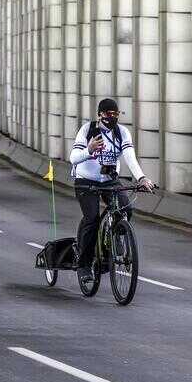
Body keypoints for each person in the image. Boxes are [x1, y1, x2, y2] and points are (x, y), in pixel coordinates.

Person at [69, 98, 155, 285]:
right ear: (100, 115)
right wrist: (89, 150)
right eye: (109, 114)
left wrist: (141, 178)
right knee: (91, 218)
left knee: (125, 209)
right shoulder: (88, 130)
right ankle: (84, 265)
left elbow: (130, 157)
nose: (112, 117)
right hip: (86, 181)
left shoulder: (121, 133)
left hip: (109, 180)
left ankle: (114, 239)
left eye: (116, 114)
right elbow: (73, 158)